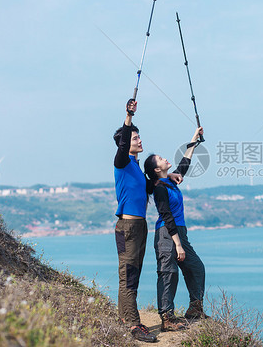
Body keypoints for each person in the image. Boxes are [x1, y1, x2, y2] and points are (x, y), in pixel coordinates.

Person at [113, 99, 182, 343]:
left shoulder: (136, 168)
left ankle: (124, 318)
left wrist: (170, 175)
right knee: (129, 275)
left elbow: (152, 185)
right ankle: (133, 324)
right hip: (128, 226)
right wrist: (128, 116)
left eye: (139, 137)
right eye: (135, 138)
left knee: (133, 273)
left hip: (139, 226)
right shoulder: (121, 162)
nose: (139, 141)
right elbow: (122, 146)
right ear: (125, 144)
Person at [144, 126, 209, 333]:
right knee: (168, 273)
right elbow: (166, 216)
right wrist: (178, 244)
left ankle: (195, 308)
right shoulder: (160, 188)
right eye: (161, 159)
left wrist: (194, 139)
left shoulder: (170, 181)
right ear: (156, 169)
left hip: (179, 232)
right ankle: (167, 318)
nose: (165, 159)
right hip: (166, 234)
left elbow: (185, 163)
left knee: (196, 267)